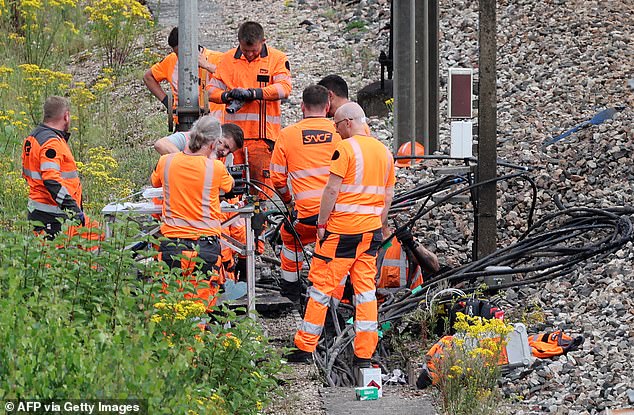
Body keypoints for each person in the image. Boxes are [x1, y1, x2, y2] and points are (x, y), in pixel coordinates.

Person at [290, 102, 395, 366]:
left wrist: (322, 224)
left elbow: (331, 190)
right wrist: (377, 224)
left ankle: (305, 346)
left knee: (321, 288)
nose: (336, 132)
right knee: (365, 292)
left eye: (336, 126)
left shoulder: (346, 148)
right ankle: (364, 354)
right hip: (370, 232)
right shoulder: (384, 152)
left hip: (342, 232)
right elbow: (388, 196)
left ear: (347, 122)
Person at [151, 116, 234, 309]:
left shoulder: (166, 162)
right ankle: (195, 339)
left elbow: (154, 182)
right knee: (199, 309)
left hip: (172, 246)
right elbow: (229, 186)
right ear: (214, 144)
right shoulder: (216, 167)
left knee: (170, 308)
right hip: (205, 248)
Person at [269, 85, 341, 302]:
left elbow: (277, 179)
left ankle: (290, 291)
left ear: (302, 106)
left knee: (290, 239)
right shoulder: (339, 132)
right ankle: (336, 295)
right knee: (338, 251)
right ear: (328, 106)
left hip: (307, 215)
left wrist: (289, 202)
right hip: (337, 215)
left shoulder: (287, 135)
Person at [207, 21, 292, 194]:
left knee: (260, 191)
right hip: (232, 139)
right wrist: (226, 96)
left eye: (254, 50)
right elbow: (210, 90)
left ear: (264, 41)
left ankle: (260, 221)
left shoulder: (277, 59)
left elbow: (284, 88)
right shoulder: (227, 60)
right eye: (246, 50)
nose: (250, 54)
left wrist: (254, 94)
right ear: (239, 42)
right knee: (232, 188)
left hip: (261, 138)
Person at [21, 96, 86, 238]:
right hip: (54, 216)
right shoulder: (52, 143)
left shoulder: (32, 138)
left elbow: (29, 175)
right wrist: (72, 209)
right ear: (66, 116)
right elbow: (51, 180)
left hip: (38, 211)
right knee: (55, 258)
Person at [144, 27, 225, 129]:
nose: (180, 58)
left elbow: (231, 78)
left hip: (214, 126)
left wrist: (206, 65)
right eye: (177, 54)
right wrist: (167, 102)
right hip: (184, 124)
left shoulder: (217, 58)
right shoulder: (171, 60)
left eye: (182, 54)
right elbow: (148, 77)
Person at [376, 225, 439, 297]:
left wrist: (411, 244)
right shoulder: (363, 248)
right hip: (375, 305)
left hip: (411, 299)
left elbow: (434, 266)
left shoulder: (400, 242)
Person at [154, 122, 244, 159]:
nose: (224, 153)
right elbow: (160, 144)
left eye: (229, 152)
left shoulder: (215, 159)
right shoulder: (189, 138)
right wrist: (187, 164)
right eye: (225, 146)